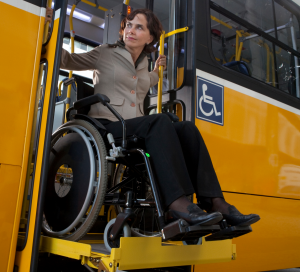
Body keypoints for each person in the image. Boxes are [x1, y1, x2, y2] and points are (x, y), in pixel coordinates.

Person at [60, 9, 260, 227]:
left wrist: (157, 70)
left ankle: (214, 201)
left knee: (187, 129)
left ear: (150, 37)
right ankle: (176, 203)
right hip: (106, 126)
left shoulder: (144, 64)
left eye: (139, 27)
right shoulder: (105, 53)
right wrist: (47, 27)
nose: (131, 30)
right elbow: (68, 60)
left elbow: (146, 81)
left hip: (133, 127)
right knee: (159, 121)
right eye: (129, 25)